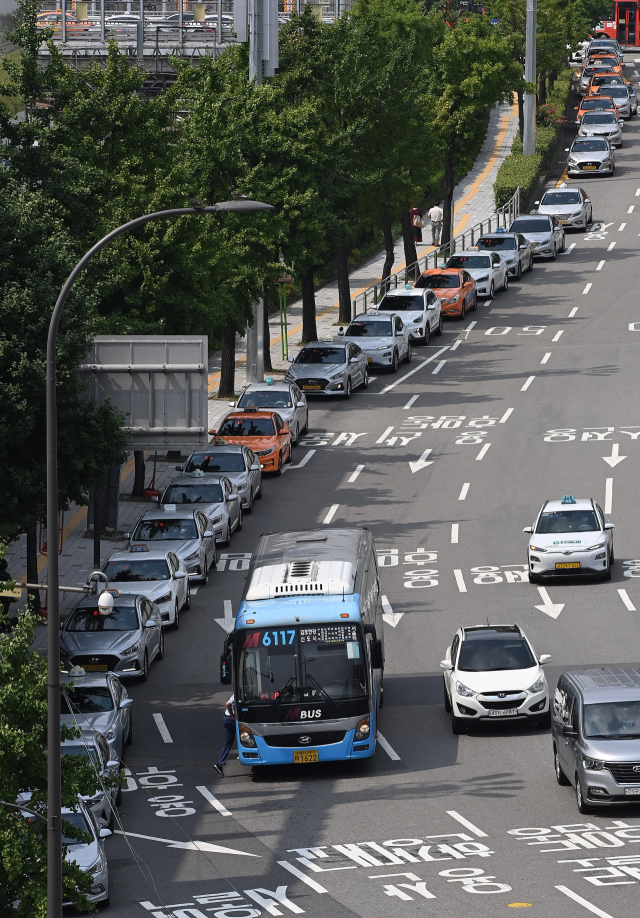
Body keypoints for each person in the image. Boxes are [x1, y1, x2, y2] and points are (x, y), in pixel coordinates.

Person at [214, 694, 236, 776]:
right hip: (230, 719)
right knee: (246, 734)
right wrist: (232, 715)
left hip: (227, 719)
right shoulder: (237, 693)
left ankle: (219, 764)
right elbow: (228, 704)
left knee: (228, 743)